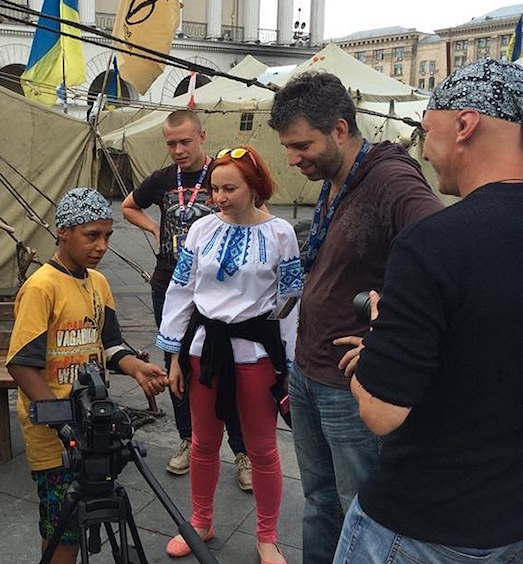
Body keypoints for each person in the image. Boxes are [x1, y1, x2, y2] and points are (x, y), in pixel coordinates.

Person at [333, 59, 523, 564]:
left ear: (465, 124)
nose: (424, 148)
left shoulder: (435, 243)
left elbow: (381, 412)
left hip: (421, 525)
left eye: (426, 129)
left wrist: (378, 345)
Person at [266, 71, 443, 564]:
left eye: (302, 145)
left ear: (341, 129)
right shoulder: (338, 177)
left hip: (350, 386)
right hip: (308, 371)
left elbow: (442, 258)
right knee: (319, 501)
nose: (293, 158)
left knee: (359, 510)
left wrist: (389, 339)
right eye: (288, 147)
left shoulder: (391, 178)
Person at [6, 187, 169, 564]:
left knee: (89, 516)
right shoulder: (42, 287)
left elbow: (110, 344)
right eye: (91, 235)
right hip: (54, 437)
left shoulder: (98, 284)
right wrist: (62, 421)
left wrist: (136, 368)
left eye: (108, 236)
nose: (102, 246)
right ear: (63, 231)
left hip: (92, 429)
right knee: (62, 529)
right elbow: (20, 364)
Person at [156, 146, 301, 562]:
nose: (218, 197)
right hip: (205, 350)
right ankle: (200, 521)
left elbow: (290, 302)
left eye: (229, 188)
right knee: (202, 442)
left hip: (255, 354)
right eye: (215, 188)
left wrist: (287, 364)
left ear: (254, 187)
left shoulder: (280, 234)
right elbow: (181, 291)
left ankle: (268, 536)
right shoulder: (200, 230)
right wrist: (173, 355)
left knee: (262, 448)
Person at [122, 110, 252, 488]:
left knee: (226, 362)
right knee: (175, 363)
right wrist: (153, 226)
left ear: (201, 136)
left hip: (217, 286)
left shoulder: (221, 177)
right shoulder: (164, 179)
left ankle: (241, 450)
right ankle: (188, 440)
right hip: (168, 283)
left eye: (185, 141)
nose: (178, 150)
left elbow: (251, 210)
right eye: (171, 143)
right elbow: (130, 205)